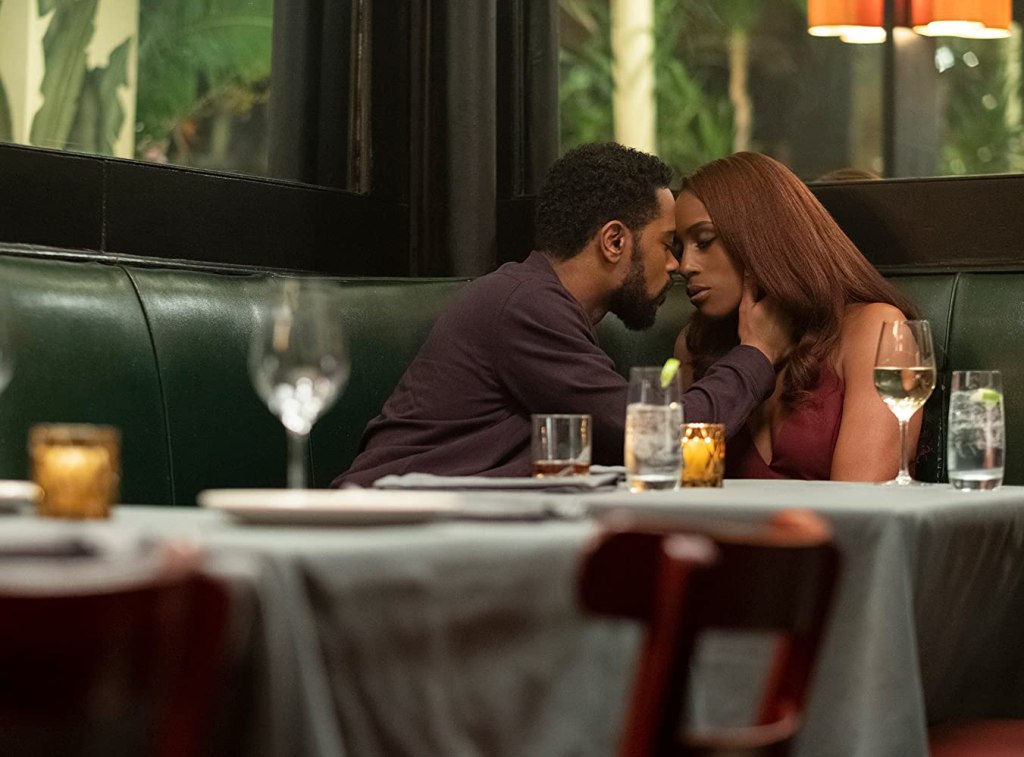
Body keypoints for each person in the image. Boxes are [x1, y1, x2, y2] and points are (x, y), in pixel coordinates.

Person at [333, 143, 791, 487]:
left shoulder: (539, 303)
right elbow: (665, 440)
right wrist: (757, 351)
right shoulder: (526, 307)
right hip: (379, 536)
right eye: (668, 244)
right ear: (614, 242)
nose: (677, 265)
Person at [674, 152, 920, 481]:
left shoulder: (876, 331)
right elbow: (692, 493)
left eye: (703, 241)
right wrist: (755, 352)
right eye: (679, 248)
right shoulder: (694, 347)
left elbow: (861, 509)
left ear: (760, 237)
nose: (684, 265)